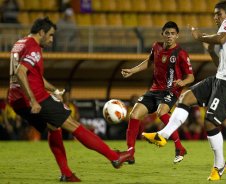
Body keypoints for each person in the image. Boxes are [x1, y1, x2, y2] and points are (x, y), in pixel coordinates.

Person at [7, 17, 133, 182]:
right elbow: (21, 72)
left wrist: (54, 89)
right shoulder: (33, 48)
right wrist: (33, 100)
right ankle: (114, 157)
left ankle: (66, 173)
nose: (52, 40)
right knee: (73, 125)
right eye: (50, 35)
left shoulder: (20, 43)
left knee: (54, 128)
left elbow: (33, 75)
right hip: (33, 97)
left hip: (16, 99)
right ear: (41, 32)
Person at [142, 1, 226, 181]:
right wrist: (211, 51)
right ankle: (163, 135)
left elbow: (220, 37)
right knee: (186, 97)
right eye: (214, 15)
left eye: (218, 14)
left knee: (210, 123)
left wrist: (200, 36)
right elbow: (219, 63)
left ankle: (219, 165)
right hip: (220, 78)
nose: (216, 17)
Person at [121, 21, 194, 164]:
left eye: (173, 33)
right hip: (154, 90)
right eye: (167, 33)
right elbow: (149, 62)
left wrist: (183, 82)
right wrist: (132, 71)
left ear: (177, 36)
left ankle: (179, 146)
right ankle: (130, 152)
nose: (169, 36)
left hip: (171, 90)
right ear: (162, 34)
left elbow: (191, 76)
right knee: (134, 115)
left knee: (161, 112)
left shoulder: (181, 54)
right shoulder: (156, 46)